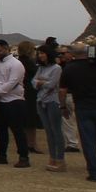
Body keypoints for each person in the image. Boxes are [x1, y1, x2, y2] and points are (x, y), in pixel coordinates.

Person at [59, 43, 96, 182]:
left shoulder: (69, 68)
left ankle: (93, 172)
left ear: (73, 54)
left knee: (88, 141)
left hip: (83, 108)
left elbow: (62, 90)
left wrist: (63, 107)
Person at [0, 38, 31, 167]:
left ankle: (23, 156)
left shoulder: (16, 64)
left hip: (13, 101)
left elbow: (12, 82)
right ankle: (1, 155)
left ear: (6, 49)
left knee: (17, 130)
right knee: (0, 130)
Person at [32, 44, 66, 172]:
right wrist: (41, 82)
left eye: (43, 53)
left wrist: (41, 82)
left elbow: (52, 84)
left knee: (56, 130)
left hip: (53, 101)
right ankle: (52, 157)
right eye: (39, 53)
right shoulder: (40, 68)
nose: (40, 56)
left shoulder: (56, 68)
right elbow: (33, 82)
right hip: (41, 101)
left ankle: (60, 159)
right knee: (48, 131)